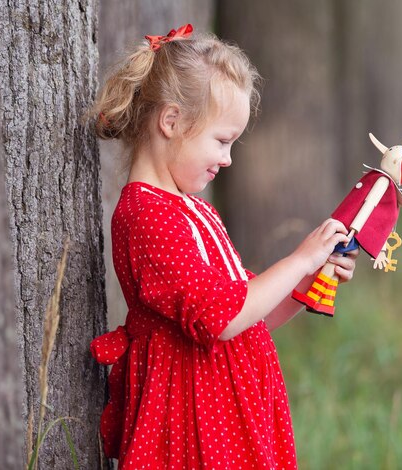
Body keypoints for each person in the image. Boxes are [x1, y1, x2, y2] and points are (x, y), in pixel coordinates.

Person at [89, 24, 357, 469]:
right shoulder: (146, 214)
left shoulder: (192, 208)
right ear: (171, 121)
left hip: (226, 413)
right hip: (191, 419)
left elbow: (250, 317)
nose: (228, 158)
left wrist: (310, 277)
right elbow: (221, 318)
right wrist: (298, 258)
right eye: (222, 140)